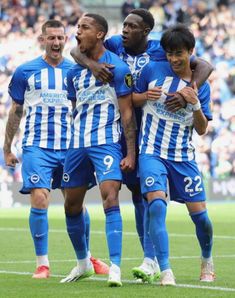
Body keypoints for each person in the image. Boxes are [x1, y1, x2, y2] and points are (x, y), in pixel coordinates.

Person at [71, 8, 214, 283]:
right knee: (144, 198)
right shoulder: (115, 45)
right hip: (128, 132)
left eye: (131, 26)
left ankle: (160, 259)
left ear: (146, 31)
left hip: (168, 140)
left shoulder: (161, 50)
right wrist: (94, 66)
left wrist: (190, 93)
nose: (124, 30)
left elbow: (204, 65)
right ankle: (154, 262)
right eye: (123, 25)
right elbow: (78, 51)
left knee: (154, 201)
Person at [3, 19, 109, 279]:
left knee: (76, 204)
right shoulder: (25, 71)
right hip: (36, 145)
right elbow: (16, 111)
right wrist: (6, 148)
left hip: (71, 146)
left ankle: (86, 258)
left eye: (60, 38)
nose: (56, 42)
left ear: (66, 39)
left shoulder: (76, 71)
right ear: (42, 39)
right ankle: (43, 263)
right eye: (51, 37)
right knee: (39, 196)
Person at [133, 23, 215, 286]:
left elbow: (202, 129)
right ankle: (165, 269)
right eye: (169, 53)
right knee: (156, 204)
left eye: (179, 53)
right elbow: (132, 99)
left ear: (191, 52)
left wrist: (195, 105)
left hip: (183, 157)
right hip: (151, 152)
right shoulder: (152, 70)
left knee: (201, 219)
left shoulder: (200, 85)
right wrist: (145, 95)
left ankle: (207, 259)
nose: (173, 59)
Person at [60, 13, 136, 287]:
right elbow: (74, 108)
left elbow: (127, 114)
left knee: (110, 198)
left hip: (106, 142)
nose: (77, 31)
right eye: (77, 26)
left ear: (100, 34)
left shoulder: (118, 68)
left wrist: (130, 153)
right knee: (71, 204)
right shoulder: (73, 72)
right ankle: (83, 262)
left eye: (84, 27)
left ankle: (115, 266)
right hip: (77, 144)